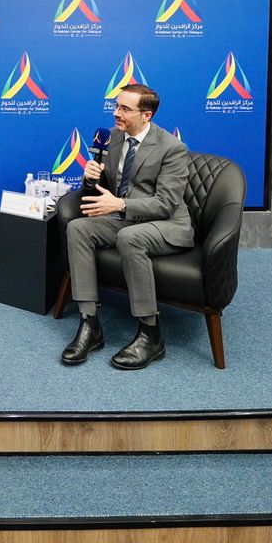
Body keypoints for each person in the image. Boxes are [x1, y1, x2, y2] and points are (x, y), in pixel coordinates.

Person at [61, 82, 191, 371]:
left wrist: (119, 205)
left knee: (130, 237)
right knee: (78, 228)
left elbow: (166, 204)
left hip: (166, 223)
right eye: (116, 106)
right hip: (126, 218)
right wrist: (90, 178)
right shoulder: (114, 138)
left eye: (124, 109)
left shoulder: (172, 148)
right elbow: (104, 188)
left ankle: (150, 333)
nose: (116, 113)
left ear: (146, 115)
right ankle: (90, 324)